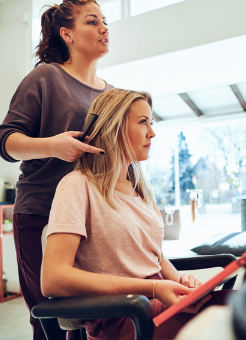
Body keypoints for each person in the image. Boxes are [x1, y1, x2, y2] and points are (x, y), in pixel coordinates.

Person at [42, 88, 231, 340]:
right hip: (123, 315)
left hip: (151, 303)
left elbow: (155, 258)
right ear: (114, 127)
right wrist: (154, 288)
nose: (152, 132)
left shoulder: (142, 192)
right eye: (143, 122)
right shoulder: (78, 185)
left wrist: (181, 284)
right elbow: (53, 279)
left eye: (150, 123)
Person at [0, 1, 112, 339]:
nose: (105, 28)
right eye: (93, 22)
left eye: (105, 21)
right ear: (67, 34)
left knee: (86, 317)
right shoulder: (46, 77)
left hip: (88, 217)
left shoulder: (110, 93)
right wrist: (53, 146)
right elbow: (6, 140)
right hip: (41, 212)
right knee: (50, 319)